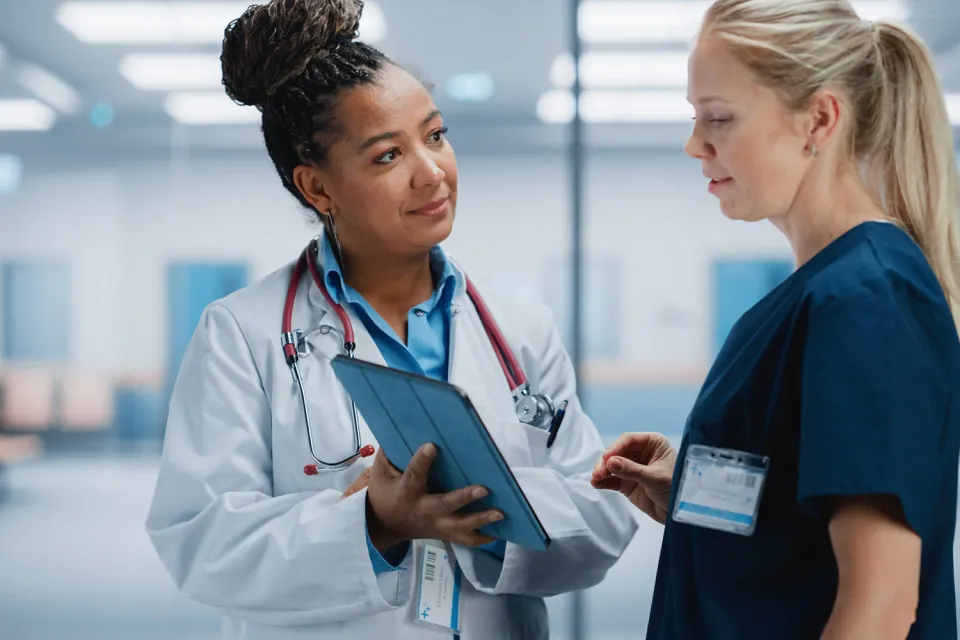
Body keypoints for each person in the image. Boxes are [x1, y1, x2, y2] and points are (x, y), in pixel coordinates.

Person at [144, 1, 637, 639]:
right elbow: (201, 542)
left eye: (435, 135)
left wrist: (480, 513)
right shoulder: (243, 333)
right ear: (318, 189)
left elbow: (600, 516)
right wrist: (375, 523)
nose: (432, 172)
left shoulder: (519, 328)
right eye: (386, 156)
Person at [592, 1, 960, 638]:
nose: (694, 144)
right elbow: (801, 514)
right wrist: (690, 492)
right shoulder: (818, 292)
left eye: (720, 119)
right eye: (694, 117)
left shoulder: (865, 298)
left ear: (818, 119)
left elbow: (881, 607)